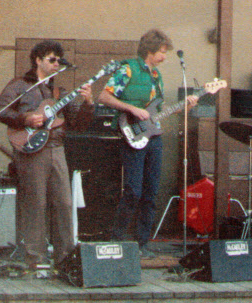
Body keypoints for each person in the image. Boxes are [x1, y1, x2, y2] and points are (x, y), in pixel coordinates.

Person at [0, 40, 94, 268]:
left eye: (59, 60)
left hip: (56, 149)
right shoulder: (20, 85)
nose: (57, 63)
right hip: (31, 151)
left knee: (64, 204)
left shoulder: (59, 91)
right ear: (38, 60)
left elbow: (78, 123)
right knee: (35, 204)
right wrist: (25, 119)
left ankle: (65, 259)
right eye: (52, 59)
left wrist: (88, 103)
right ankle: (35, 260)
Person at [98, 29, 198, 258]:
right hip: (131, 135)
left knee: (151, 192)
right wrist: (131, 108)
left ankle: (142, 243)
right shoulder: (128, 69)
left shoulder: (157, 76)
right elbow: (103, 96)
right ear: (150, 51)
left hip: (154, 137)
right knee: (133, 189)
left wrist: (186, 106)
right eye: (162, 52)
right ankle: (118, 238)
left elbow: (158, 112)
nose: (165, 56)